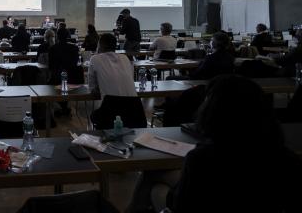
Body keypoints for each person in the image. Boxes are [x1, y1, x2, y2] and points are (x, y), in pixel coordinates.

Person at [129, 75, 302, 213]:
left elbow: (183, 205)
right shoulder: (288, 159)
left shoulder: (201, 159)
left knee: (155, 185)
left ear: (212, 111)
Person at [87, 33, 137, 104]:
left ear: (100, 45)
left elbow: (92, 90)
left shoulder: (95, 59)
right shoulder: (125, 58)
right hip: (136, 106)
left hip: (112, 107)